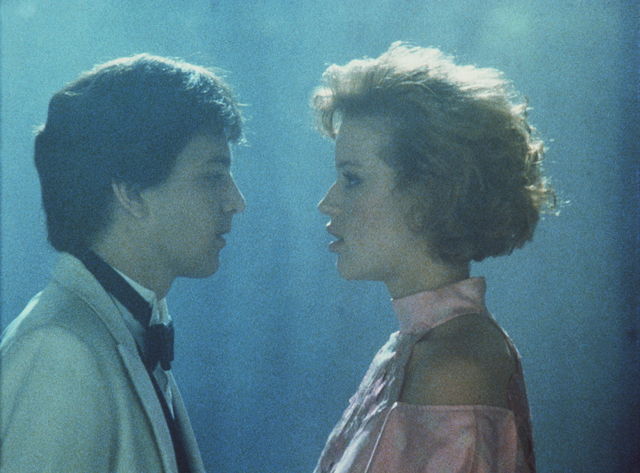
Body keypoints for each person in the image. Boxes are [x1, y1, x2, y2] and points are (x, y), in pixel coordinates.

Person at [312, 42, 554, 473]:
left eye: (352, 179)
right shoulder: (411, 348)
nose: (327, 203)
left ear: (430, 193)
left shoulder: (454, 370)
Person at [0, 54, 245, 472]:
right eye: (212, 176)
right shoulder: (60, 352)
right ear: (130, 194)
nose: (236, 201)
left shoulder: (129, 325)